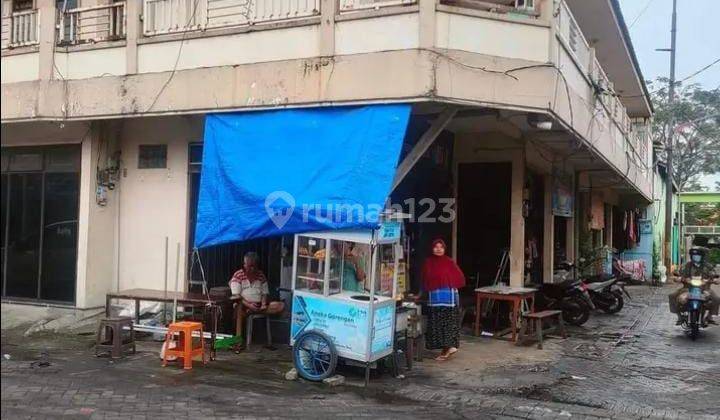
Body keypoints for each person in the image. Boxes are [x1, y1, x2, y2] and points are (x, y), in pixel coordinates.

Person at [418, 239, 466, 361]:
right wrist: (420, 294)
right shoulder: (428, 262)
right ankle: (447, 348)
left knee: (448, 324)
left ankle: (447, 349)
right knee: (437, 324)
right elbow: (424, 280)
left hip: (449, 300)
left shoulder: (449, 262)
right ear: (432, 248)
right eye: (436, 247)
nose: (438, 249)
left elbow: (458, 278)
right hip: (434, 300)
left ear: (444, 249)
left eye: (441, 247)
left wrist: (456, 300)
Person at [229, 252, 284, 350]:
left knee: (280, 306)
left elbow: (264, 293)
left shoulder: (261, 275)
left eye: (254, 266)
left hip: (259, 307)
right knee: (238, 313)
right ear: (244, 265)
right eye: (249, 266)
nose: (252, 269)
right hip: (243, 305)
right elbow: (236, 297)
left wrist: (263, 304)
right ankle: (237, 343)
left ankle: (255, 312)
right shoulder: (238, 275)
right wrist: (249, 306)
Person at [669, 247, 719, 325]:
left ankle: (709, 316)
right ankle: (679, 316)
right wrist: (678, 278)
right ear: (691, 256)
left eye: (698, 256)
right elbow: (677, 274)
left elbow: (715, 276)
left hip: (705, 289)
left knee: (716, 299)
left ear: (702, 257)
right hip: (687, 288)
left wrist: (713, 280)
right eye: (694, 256)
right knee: (672, 296)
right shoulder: (686, 265)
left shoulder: (708, 266)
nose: (696, 257)